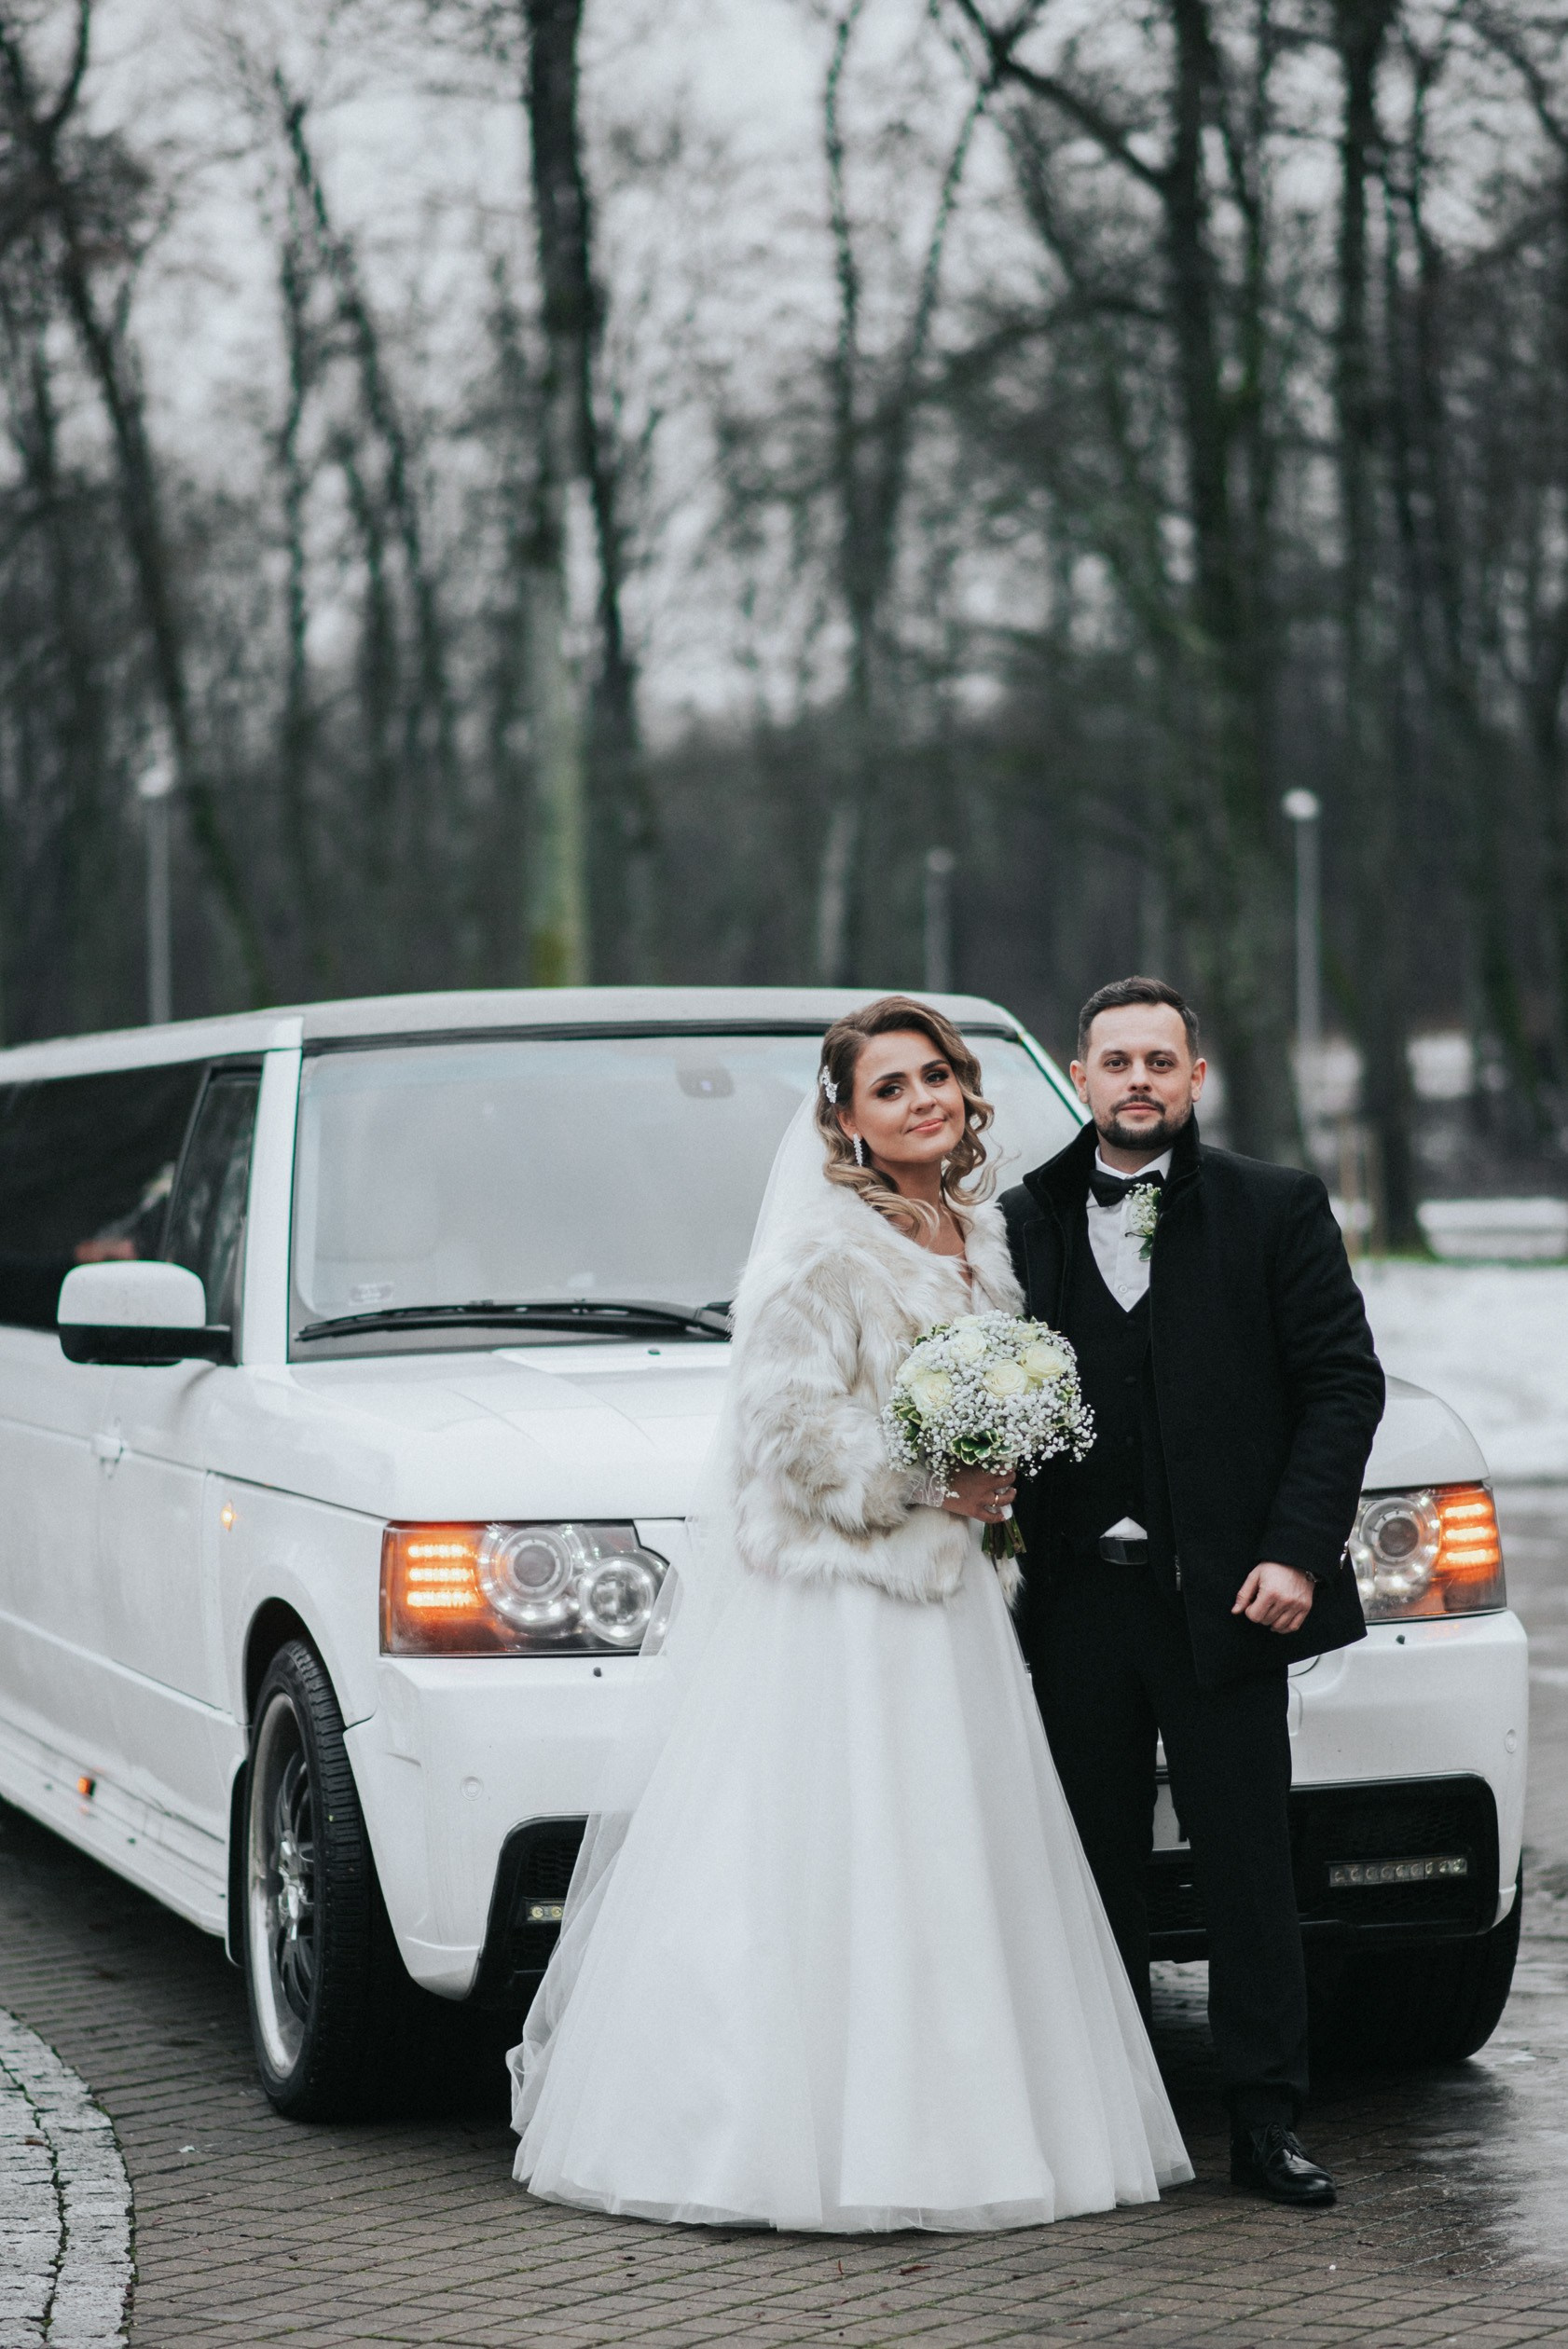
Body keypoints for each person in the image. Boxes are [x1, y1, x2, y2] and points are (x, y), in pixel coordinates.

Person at [508, 995, 1191, 2231]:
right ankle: (798, 2142)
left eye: (935, 1075)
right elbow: (787, 1433)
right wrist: (934, 1477)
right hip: (848, 1609)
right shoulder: (818, 1253)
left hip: (957, 1606)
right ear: (845, 1120)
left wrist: (1006, 1461)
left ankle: (964, 2129)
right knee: (845, 1862)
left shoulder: (977, 1234)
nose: (923, 1097)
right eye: (891, 1087)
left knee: (954, 1865)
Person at [1001, 976, 1385, 2209]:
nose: (1137, 1081)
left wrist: (1292, 1550)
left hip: (1226, 1601)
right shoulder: (1024, 1217)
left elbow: (1340, 1387)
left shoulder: (1275, 1207)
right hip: (1070, 1605)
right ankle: (1109, 2130)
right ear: (1079, 1072)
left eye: (1159, 1060)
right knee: (1085, 1869)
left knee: (1245, 1872)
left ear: (1195, 1077)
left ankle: (1264, 2127)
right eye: (1115, 1059)